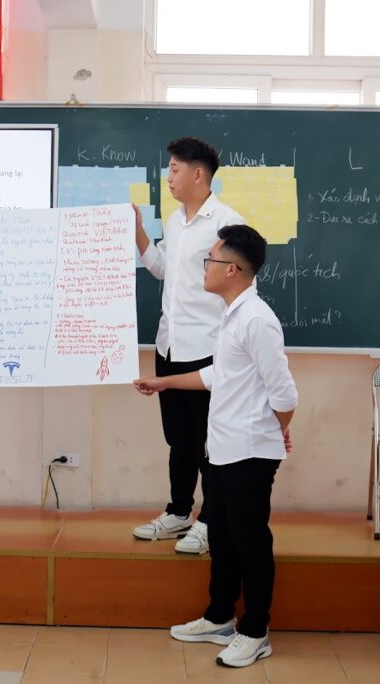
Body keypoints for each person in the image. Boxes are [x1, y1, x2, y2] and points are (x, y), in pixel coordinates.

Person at [134, 224, 298, 668]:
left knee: (250, 541)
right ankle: (219, 617)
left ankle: (255, 630)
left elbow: (284, 394)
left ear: (231, 270)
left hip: (249, 451)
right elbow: (217, 376)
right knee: (222, 539)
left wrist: (276, 431)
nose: (203, 267)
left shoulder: (257, 319)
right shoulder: (231, 315)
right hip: (223, 447)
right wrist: (164, 382)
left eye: (210, 260)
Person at [132, 136, 245, 554]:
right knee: (178, 439)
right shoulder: (175, 220)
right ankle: (179, 511)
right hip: (170, 345)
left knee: (209, 442)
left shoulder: (227, 224)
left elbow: (241, 284)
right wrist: (140, 234)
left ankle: (211, 521)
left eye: (175, 169)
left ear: (199, 174)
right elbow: (163, 269)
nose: (169, 177)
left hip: (206, 350)